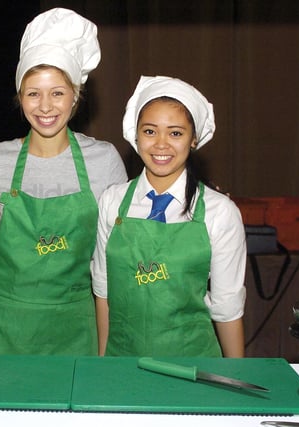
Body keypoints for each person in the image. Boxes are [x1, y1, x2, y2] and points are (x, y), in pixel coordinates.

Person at [0, 8, 128, 355]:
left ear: (76, 96)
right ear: (19, 97)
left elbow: (123, 247)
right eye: (33, 93)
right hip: (4, 325)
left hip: (75, 325)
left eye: (58, 93)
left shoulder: (104, 160)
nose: (45, 106)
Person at [92, 76, 246, 358]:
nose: (161, 144)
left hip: (194, 369)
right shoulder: (112, 202)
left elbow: (227, 309)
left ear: (194, 139)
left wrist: (235, 381)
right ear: (135, 135)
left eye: (175, 133)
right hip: (122, 365)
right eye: (150, 131)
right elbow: (103, 292)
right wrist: (103, 365)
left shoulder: (219, 212)